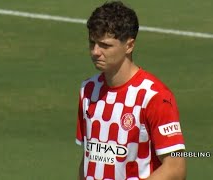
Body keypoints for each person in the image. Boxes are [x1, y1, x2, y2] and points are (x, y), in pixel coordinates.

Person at [75, 1, 186, 180]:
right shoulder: (88, 90)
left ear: (129, 45)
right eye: (92, 42)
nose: (95, 52)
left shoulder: (154, 96)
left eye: (105, 45)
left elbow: (175, 168)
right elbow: (88, 159)